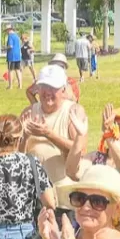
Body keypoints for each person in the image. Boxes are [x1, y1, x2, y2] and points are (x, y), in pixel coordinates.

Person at [20, 66, 88, 200]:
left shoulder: (73, 112)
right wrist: (25, 137)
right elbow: (16, 155)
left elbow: (81, 149)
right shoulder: (28, 112)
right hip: (33, 194)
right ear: (38, 89)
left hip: (64, 195)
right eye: (44, 86)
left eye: (53, 87)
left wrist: (49, 134)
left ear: (63, 89)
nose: (47, 92)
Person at [67, 105, 120, 184]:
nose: (116, 129)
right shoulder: (96, 157)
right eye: (114, 125)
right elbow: (72, 172)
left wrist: (109, 134)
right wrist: (79, 136)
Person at [5, 24, 23, 92]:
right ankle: (20, 85)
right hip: (17, 55)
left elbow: (10, 46)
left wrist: (5, 48)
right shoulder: (17, 36)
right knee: (18, 70)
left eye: (7, 30)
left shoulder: (10, 36)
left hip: (11, 55)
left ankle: (10, 86)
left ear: (9, 30)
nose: (6, 32)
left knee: (10, 70)